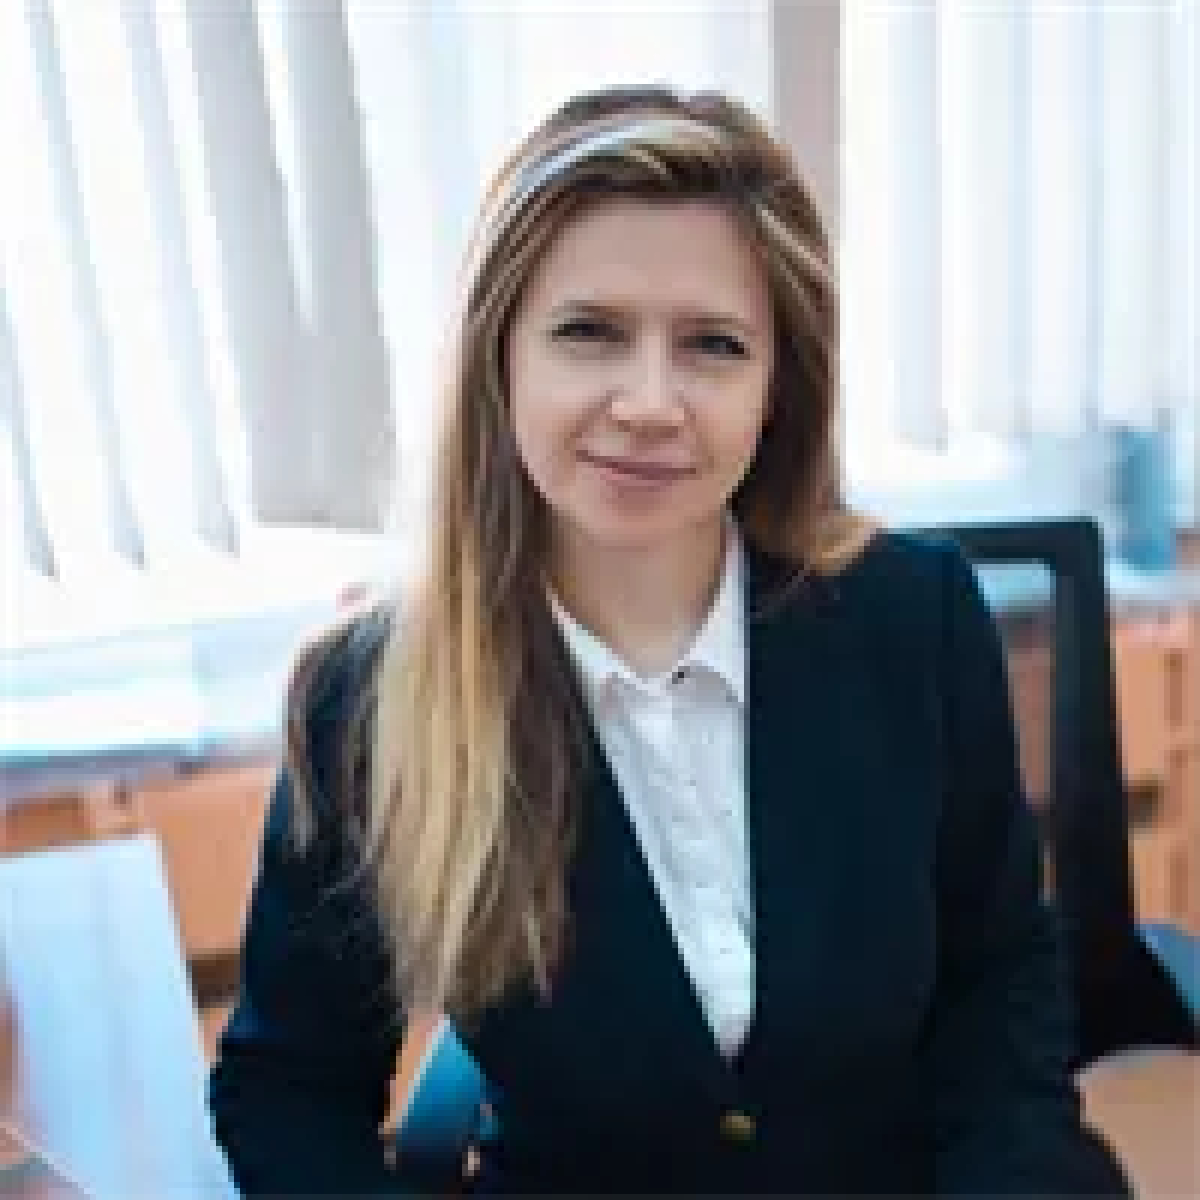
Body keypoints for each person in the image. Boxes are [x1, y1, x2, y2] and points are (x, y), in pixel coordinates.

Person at [208, 86, 1131, 1195]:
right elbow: (290, 1088)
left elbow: (1000, 984)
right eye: (589, 332)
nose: (650, 402)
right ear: (500, 360)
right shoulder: (374, 701)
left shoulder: (913, 617)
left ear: (777, 387)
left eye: (713, 345)